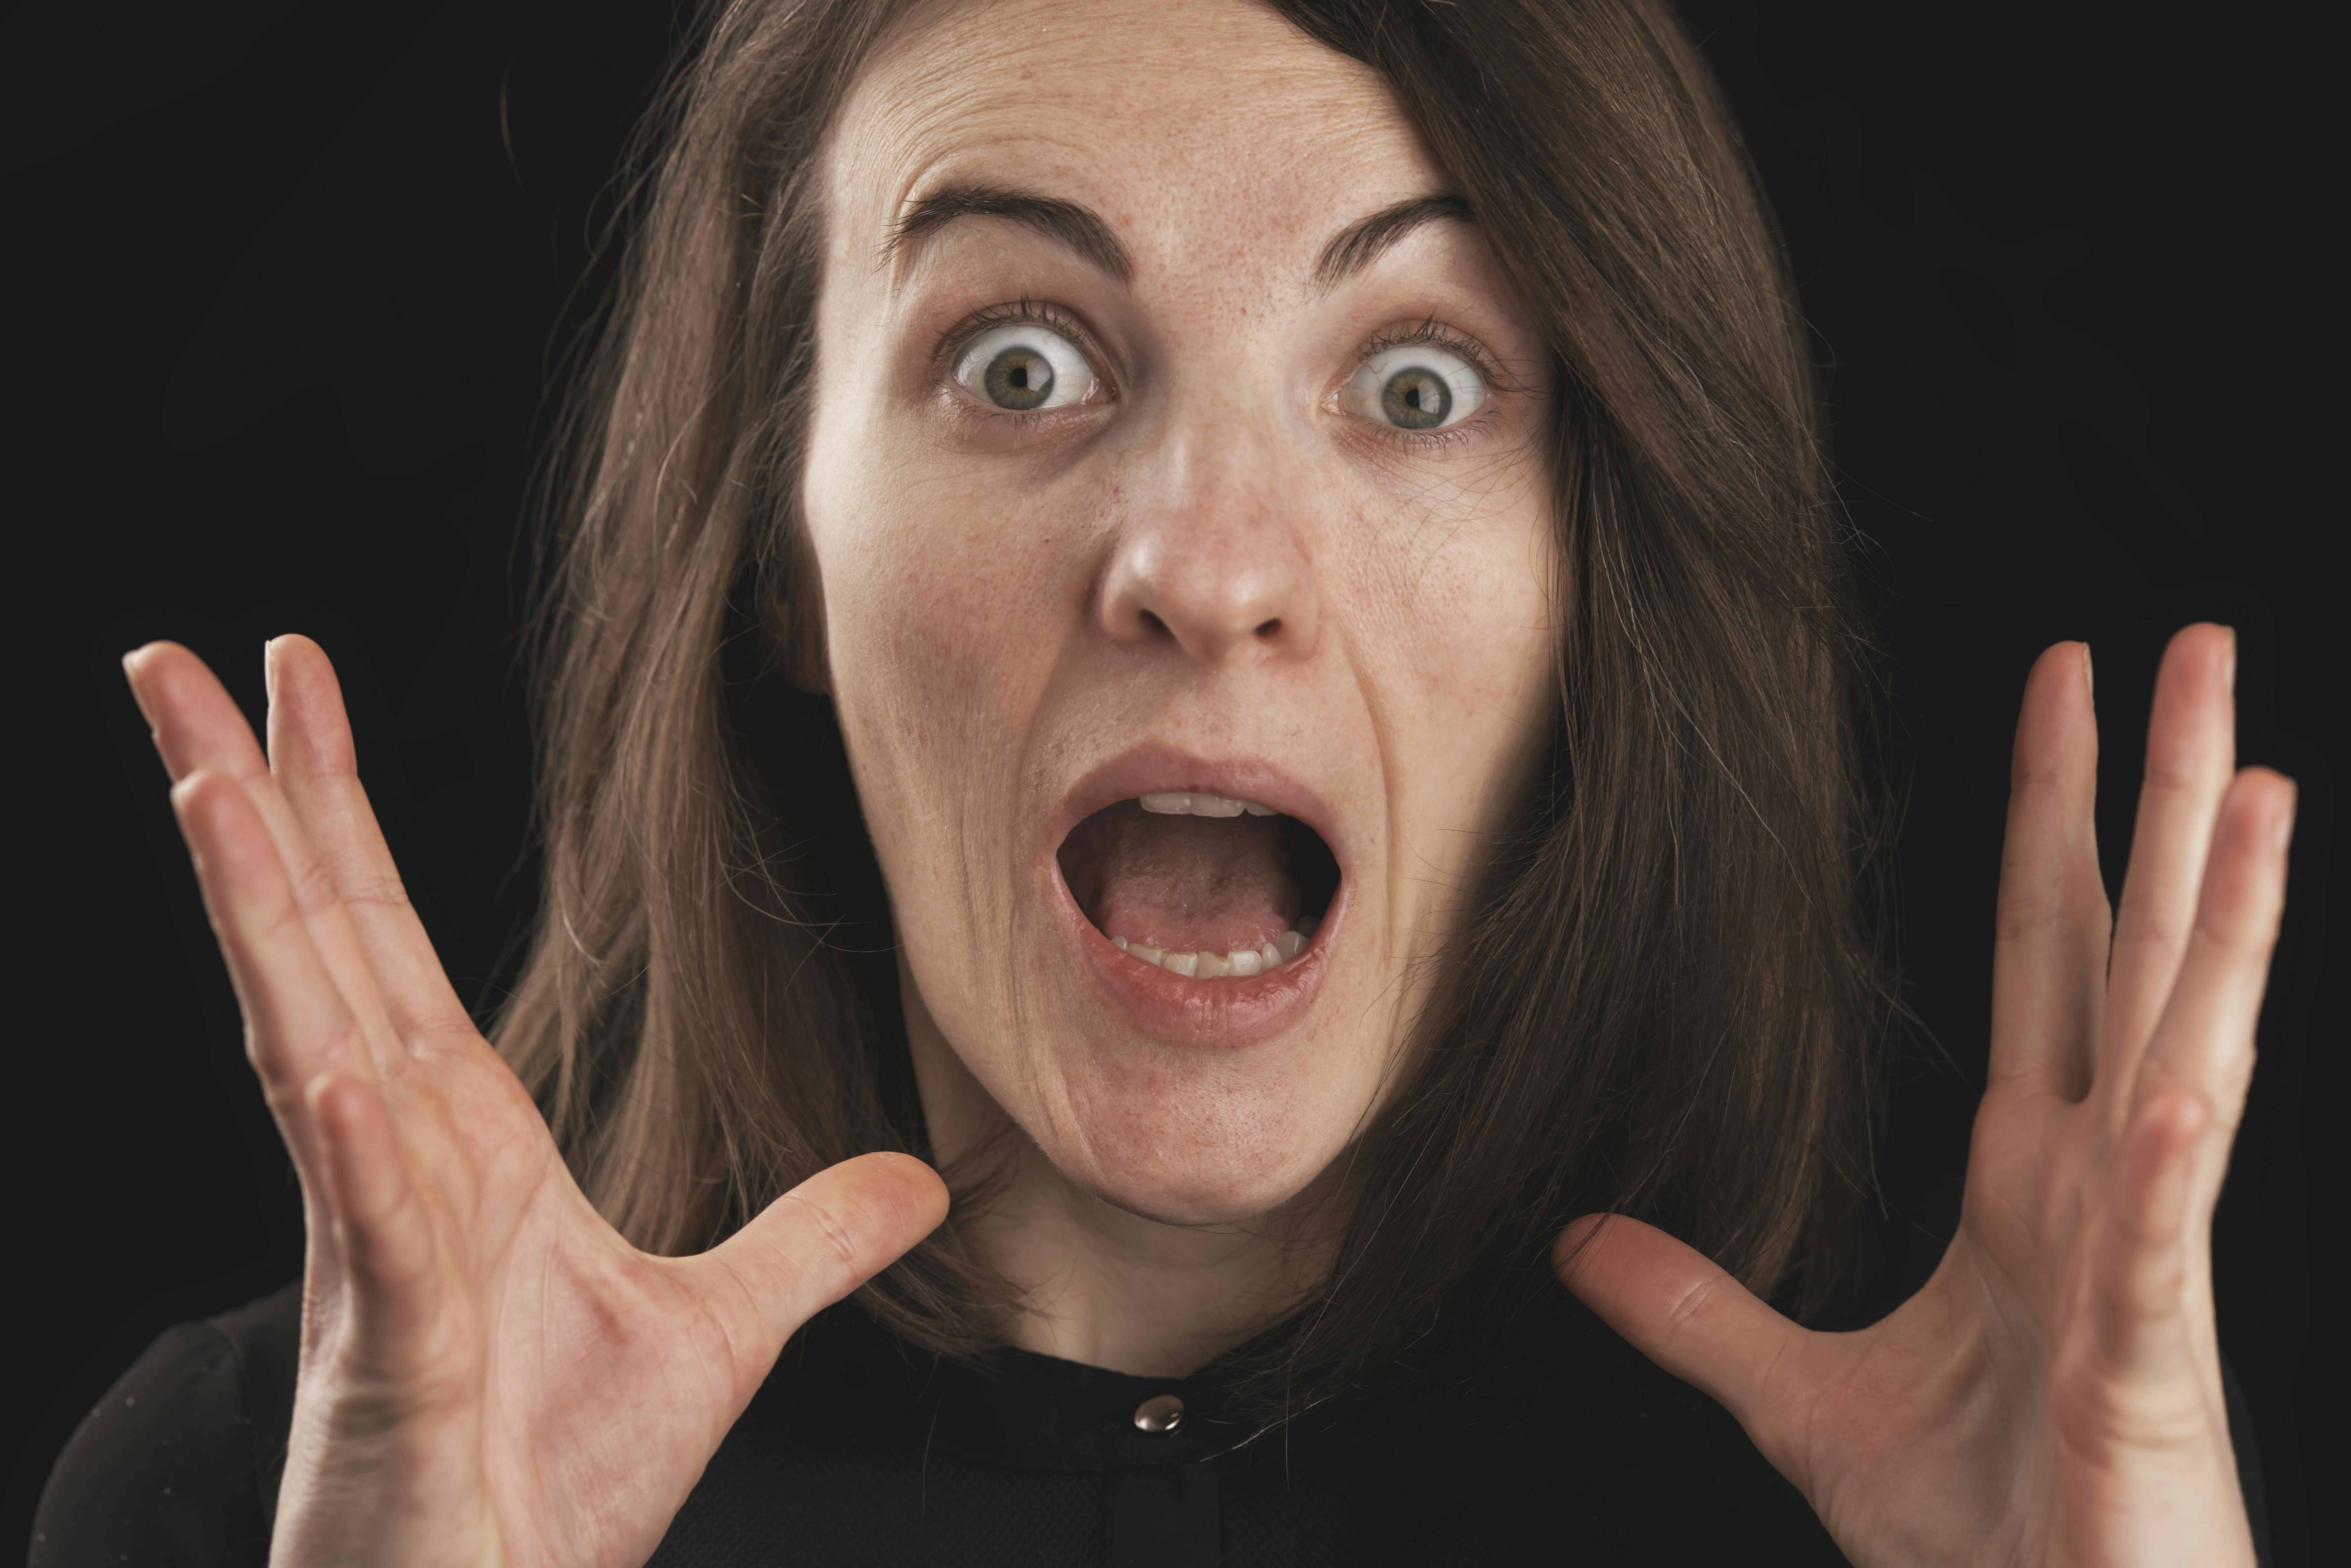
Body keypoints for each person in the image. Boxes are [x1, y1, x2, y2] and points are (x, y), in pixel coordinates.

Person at [35, 0, 2291, 1562]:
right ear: (775, 565)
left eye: (1415, 385)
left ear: (1595, 591)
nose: (1207, 572)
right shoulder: (272, 1484)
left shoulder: (1931, 1509)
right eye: (1018, 361)